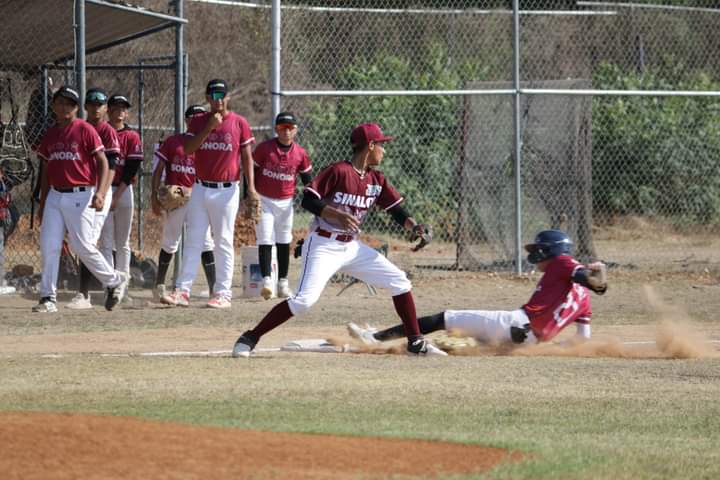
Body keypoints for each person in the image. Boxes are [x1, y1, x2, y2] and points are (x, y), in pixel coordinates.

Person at [232, 122, 447, 357]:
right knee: (304, 302)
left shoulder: (376, 179)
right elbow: (308, 200)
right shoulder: (339, 171)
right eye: (381, 145)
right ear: (370, 146)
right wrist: (336, 215)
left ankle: (416, 342)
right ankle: (250, 337)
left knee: (400, 281)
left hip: (351, 247)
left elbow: (396, 210)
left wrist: (415, 226)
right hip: (323, 244)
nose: (384, 151)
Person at [347, 230, 608, 348]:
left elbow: (580, 274)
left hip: (513, 323)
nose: (537, 255)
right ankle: (434, 346)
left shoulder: (564, 262)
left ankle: (375, 338)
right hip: (528, 341)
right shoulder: (583, 299)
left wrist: (596, 280)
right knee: (463, 340)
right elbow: (583, 338)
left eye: (541, 250)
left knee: (444, 318)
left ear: (553, 252)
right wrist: (555, 347)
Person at [162, 79, 259, 309]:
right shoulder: (198, 121)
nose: (218, 100)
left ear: (228, 98)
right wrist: (208, 128)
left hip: (227, 190)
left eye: (221, 95)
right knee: (194, 239)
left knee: (223, 241)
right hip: (200, 187)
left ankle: (223, 293)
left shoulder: (239, 123)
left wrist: (252, 189)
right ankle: (182, 291)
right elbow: (188, 149)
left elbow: (246, 158)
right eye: (213, 96)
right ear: (207, 98)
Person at [33, 86, 128, 313]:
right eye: (60, 102)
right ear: (54, 106)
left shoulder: (84, 129)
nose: (64, 107)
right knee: (49, 245)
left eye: (70, 103)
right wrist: (43, 202)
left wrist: (102, 192)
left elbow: (104, 163)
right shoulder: (51, 134)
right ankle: (48, 297)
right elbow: (46, 169)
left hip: (81, 193)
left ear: (76, 108)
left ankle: (115, 279)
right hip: (56, 195)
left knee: (82, 245)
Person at [151, 105, 216, 302]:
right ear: (187, 120)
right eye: (193, 117)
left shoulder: (207, 143)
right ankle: (160, 285)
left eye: (201, 117)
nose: (197, 120)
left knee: (205, 241)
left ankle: (214, 288)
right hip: (177, 199)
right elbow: (158, 169)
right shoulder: (173, 142)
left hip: (197, 198)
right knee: (171, 241)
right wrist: (154, 197)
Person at [66, 88, 121, 309]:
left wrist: (102, 192)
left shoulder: (107, 131)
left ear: (105, 108)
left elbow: (112, 167)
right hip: (81, 192)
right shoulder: (79, 128)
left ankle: (85, 294)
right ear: (85, 107)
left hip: (99, 192)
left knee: (86, 243)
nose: (96, 108)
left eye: (100, 105)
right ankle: (111, 282)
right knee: (82, 243)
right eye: (92, 104)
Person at [253, 111, 312, 299]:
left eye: (290, 128)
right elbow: (250, 172)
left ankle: (283, 283)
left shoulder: (300, 153)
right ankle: (267, 281)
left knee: (284, 240)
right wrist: (249, 196)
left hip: (286, 202)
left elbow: (308, 180)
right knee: (264, 239)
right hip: (264, 199)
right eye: (281, 128)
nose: (286, 132)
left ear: (295, 130)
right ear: (276, 129)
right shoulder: (264, 149)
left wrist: (313, 201)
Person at [99, 94, 142, 297]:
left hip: (123, 190)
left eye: (123, 107)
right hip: (104, 188)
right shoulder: (101, 132)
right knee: (106, 241)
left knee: (122, 242)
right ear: (108, 109)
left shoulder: (131, 136)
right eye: (116, 107)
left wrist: (117, 196)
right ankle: (109, 284)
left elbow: (132, 168)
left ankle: (122, 283)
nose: (120, 111)